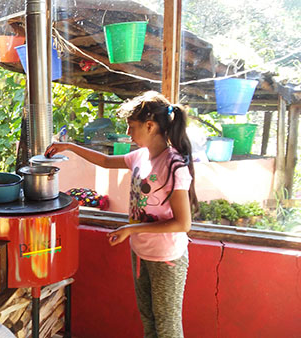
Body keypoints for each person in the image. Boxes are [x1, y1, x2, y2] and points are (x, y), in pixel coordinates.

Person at [45, 91, 198, 338]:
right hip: (141, 251)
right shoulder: (140, 156)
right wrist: (70, 147)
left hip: (166, 257)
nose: (128, 133)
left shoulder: (173, 165)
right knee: (149, 320)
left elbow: (183, 223)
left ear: (150, 126)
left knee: (167, 327)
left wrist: (131, 229)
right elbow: (105, 161)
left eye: (131, 126)